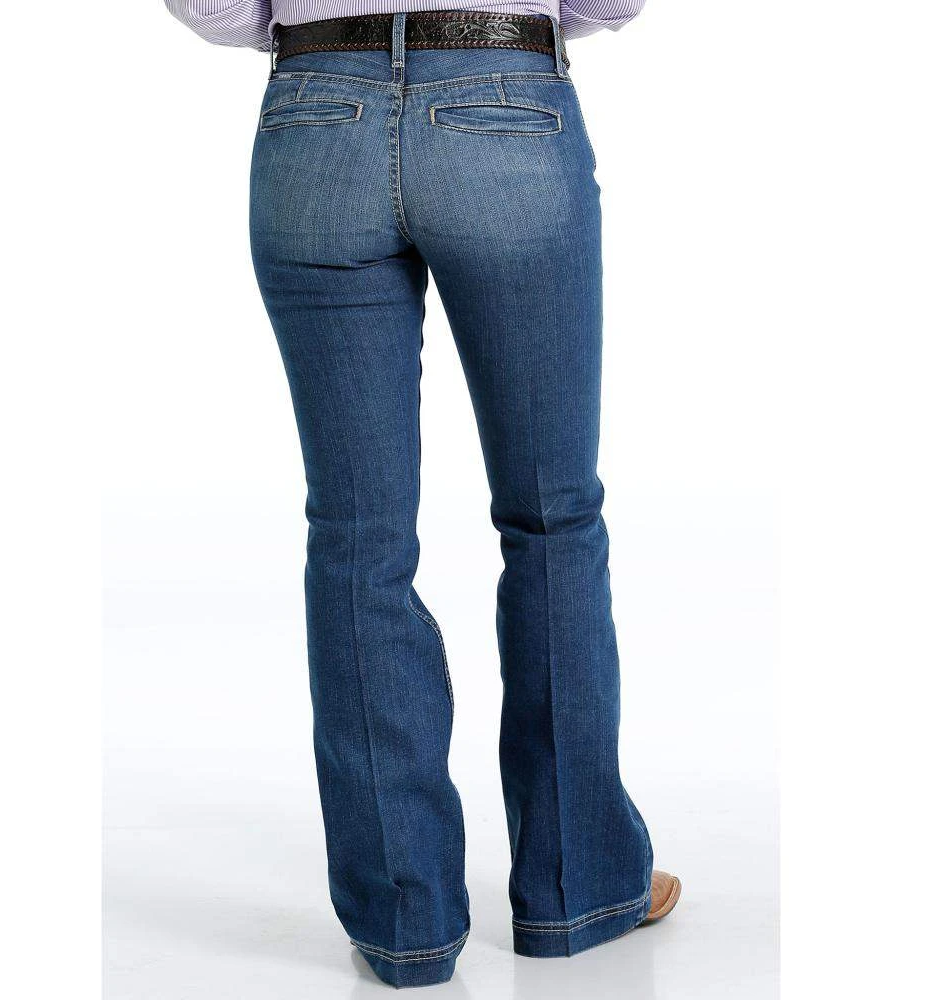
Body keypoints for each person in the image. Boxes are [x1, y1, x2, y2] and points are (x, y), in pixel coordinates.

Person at [164, 0, 680, 988]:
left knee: (356, 539)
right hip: (505, 108)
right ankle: (578, 887)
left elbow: (213, 6)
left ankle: (405, 919)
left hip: (317, 116)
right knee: (552, 519)